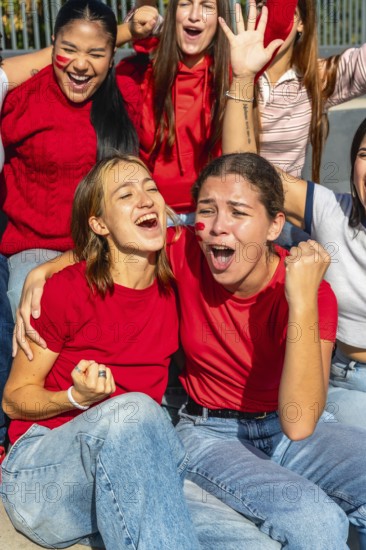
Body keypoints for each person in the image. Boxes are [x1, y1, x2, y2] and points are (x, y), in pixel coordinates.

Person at [1, 154, 279, 550]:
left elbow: (226, 233)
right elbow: (14, 400)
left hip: (136, 472)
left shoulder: (173, 282)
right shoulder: (66, 291)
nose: (146, 199)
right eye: (126, 194)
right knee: (137, 411)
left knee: (254, 545)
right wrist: (74, 398)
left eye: (151, 188)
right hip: (42, 476)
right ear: (99, 223)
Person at [0, 0, 153, 452]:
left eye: (97, 53)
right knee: (28, 308)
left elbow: (181, 46)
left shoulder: (125, 96)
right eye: (68, 49)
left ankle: (135, 417)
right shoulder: (22, 98)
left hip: (110, 243)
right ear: (51, 47)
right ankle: (27, 436)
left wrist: (144, 24)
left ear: (113, 54)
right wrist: (47, 269)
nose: (81, 65)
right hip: (36, 248)